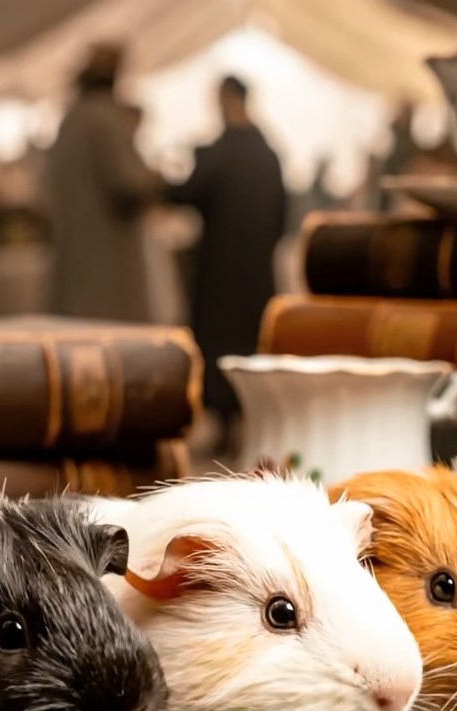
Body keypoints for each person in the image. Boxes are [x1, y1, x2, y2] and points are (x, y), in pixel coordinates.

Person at [166, 75, 287, 432]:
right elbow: (282, 215)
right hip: (256, 269)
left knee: (219, 343)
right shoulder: (267, 153)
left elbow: (187, 192)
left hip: (220, 270)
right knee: (251, 340)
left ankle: (223, 418)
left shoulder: (222, 151)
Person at [47, 44, 161, 322]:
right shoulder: (105, 119)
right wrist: (156, 178)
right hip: (106, 265)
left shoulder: (71, 119)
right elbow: (128, 183)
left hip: (80, 258)